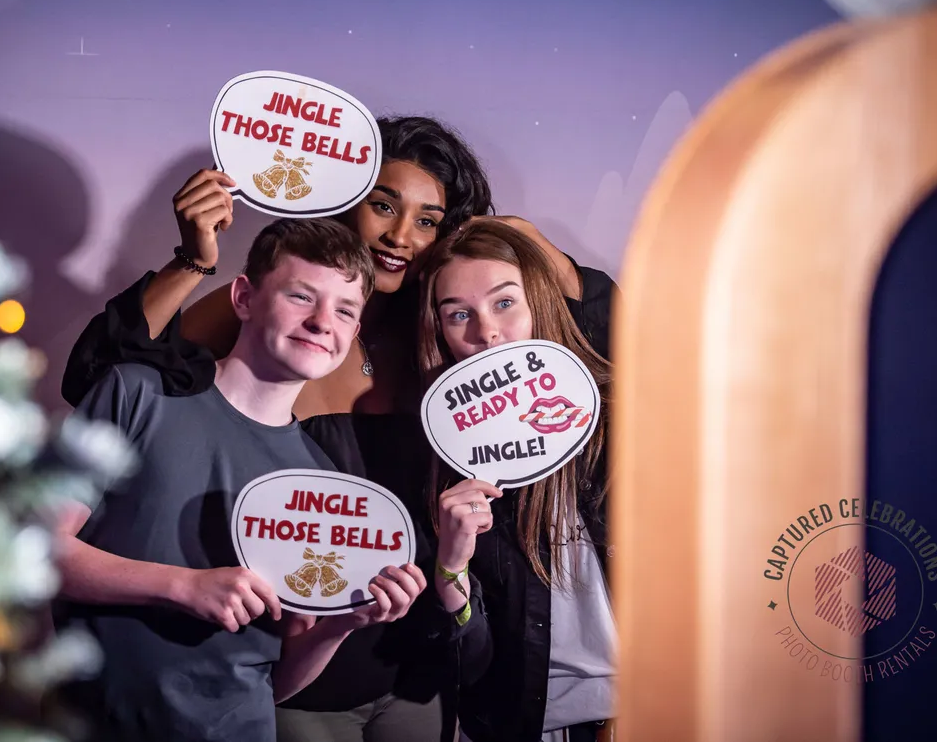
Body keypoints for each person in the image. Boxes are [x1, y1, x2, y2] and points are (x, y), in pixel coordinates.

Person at [59, 115, 618, 742]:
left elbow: (598, 339)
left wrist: (522, 238)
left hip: (419, 670)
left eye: (428, 221)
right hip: (302, 666)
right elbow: (102, 381)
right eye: (384, 205)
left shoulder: (449, 333)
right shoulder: (286, 315)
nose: (401, 234)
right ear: (348, 200)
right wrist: (193, 257)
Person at [52, 218, 427, 742]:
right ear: (245, 297)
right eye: (301, 297)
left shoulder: (320, 481)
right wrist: (182, 587)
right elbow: (35, 551)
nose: (323, 322)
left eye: (345, 310)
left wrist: (344, 622)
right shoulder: (136, 395)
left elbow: (276, 683)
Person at [420, 220, 616, 742]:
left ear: (539, 302)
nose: (486, 332)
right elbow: (467, 660)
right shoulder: (442, 458)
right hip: (526, 725)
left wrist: (525, 234)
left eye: (505, 302)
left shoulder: (620, 415)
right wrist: (451, 566)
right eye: (459, 314)